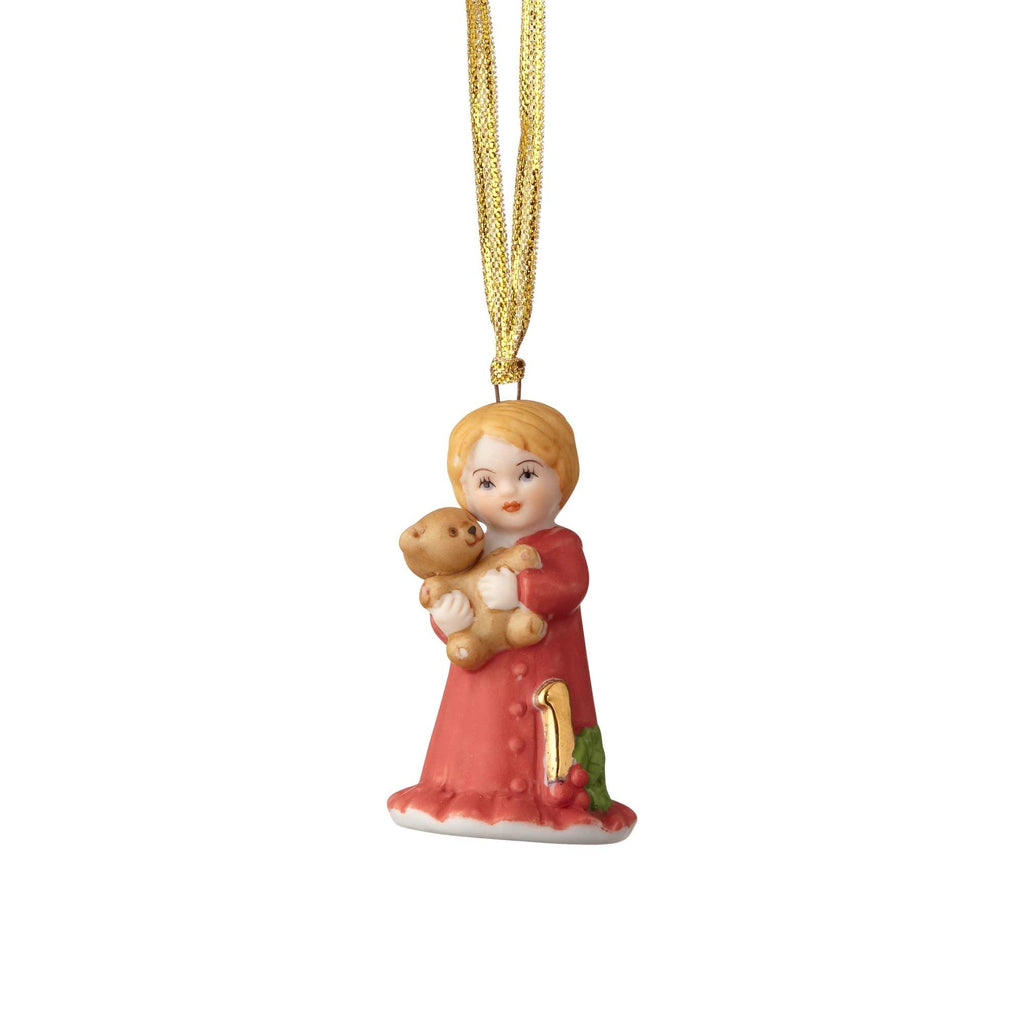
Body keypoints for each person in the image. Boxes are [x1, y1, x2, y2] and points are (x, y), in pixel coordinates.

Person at [388, 400, 636, 843]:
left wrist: (521, 590)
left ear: (562, 476)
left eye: (527, 474)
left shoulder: (560, 542)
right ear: (465, 491)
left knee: (550, 741)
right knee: (476, 737)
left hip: (548, 666)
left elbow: (572, 585)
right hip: (481, 680)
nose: (509, 492)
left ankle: (553, 800)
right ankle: (464, 791)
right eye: (487, 481)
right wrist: (448, 621)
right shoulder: (469, 551)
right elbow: (453, 599)